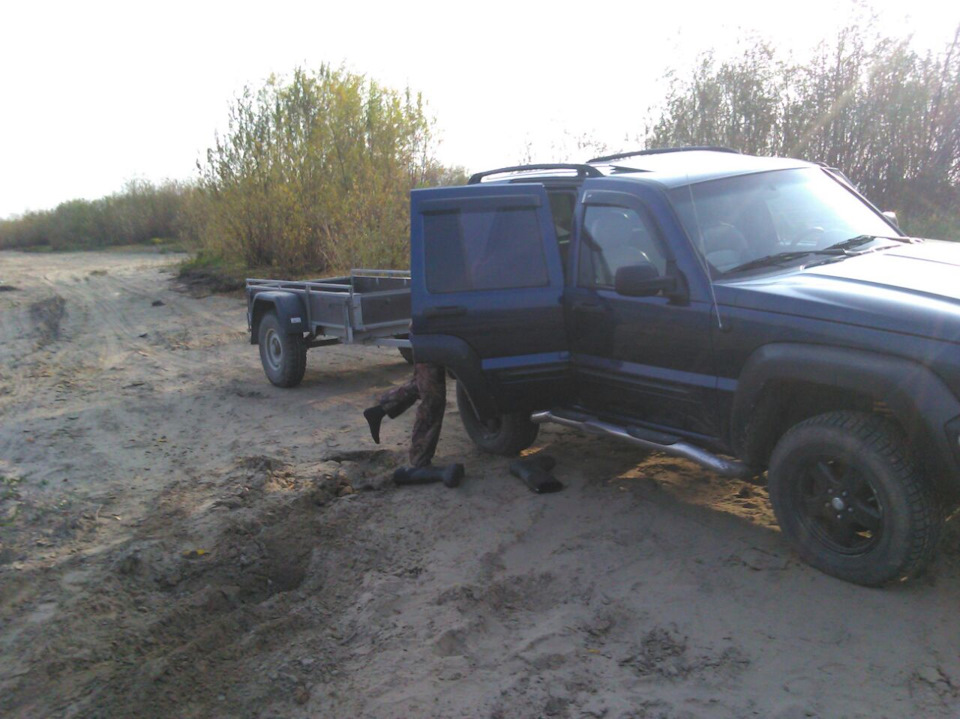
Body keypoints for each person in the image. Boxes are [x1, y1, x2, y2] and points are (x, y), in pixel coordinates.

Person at [363, 359, 463, 487]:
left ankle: (379, 411)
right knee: (433, 397)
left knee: (424, 383)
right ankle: (420, 458)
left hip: (437, 341)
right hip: (428, 341)